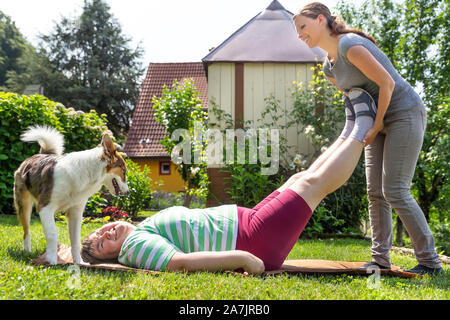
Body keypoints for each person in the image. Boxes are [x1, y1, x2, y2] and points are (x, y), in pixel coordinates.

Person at [81, 92, 378, 274]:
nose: (107, 231)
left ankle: (351, 125)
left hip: (248, 223)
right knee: (314, 185)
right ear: (114, 256)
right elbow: (179, 263)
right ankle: (364, 122)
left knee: (301, 178)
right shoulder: (134, 246)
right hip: (252, 239)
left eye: (100, 231)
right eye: (104, 243)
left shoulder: (140, 230)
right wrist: (243, 258)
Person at [292, 2, 442, 275]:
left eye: (303, 26)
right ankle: (380, 260)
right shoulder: (329, 67)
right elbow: (354, 101)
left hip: (403, 112)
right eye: (297, 30)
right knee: (375, 193)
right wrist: (356, 133)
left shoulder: (350, 45)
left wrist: (376, 126)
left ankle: (430, 262)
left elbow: (387, 84)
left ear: (321, 19)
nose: (299, 34)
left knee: (395, 190)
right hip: (376, 121)